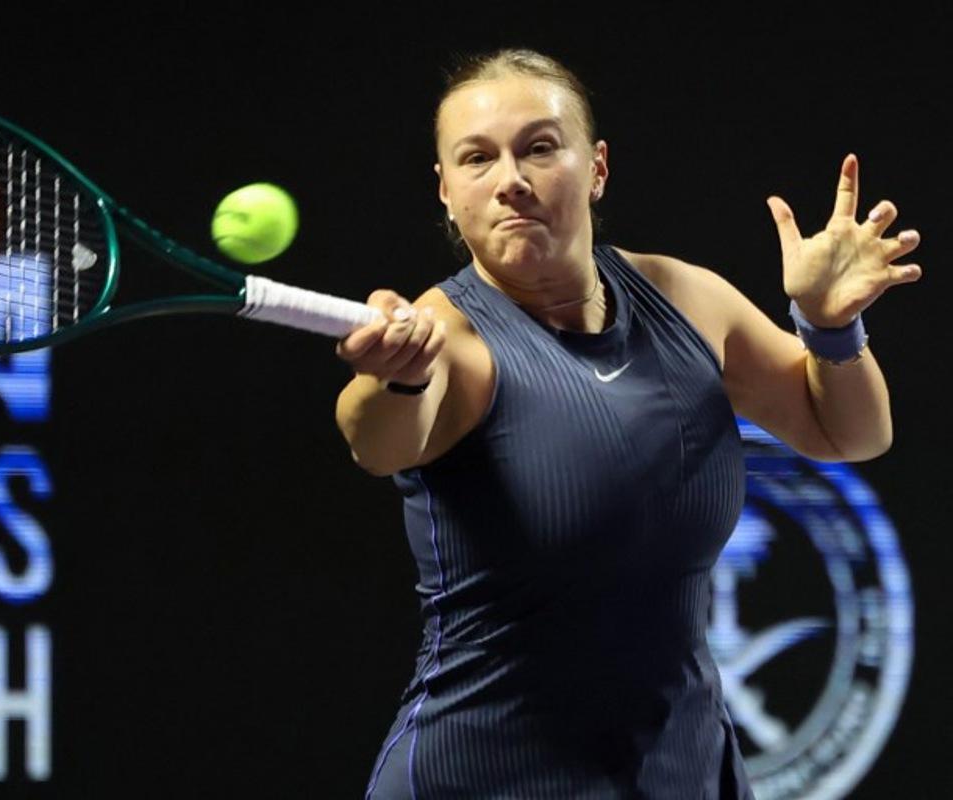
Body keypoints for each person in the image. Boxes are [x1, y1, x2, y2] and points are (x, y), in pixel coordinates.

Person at [334, 48, 920, 799]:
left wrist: (827, 329)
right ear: (447, 192)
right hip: (484, 777)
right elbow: (376, 438)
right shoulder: (448, 338)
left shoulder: (685, 298)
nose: (510, 179)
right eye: (477, 159)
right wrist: (399, 373)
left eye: (540, 147)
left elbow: (850, 433)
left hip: (684, 771)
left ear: (597, 167)